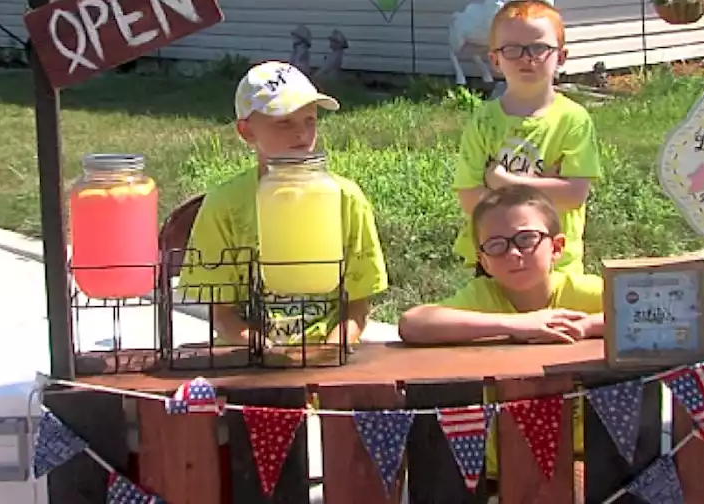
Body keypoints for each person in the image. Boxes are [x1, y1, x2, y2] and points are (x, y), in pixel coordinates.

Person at [398, 184, 603, 488]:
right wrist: (517, 325)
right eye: (497, 245)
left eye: (527, 238)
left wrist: (587, 327)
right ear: (484, 261)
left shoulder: (583, 291)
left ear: (557, 247)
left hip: (588, 460)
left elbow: (661, 314)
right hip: (495, 468)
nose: (513, 253)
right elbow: (413, 323)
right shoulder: (482, 295)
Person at [177, 61, 388, 347]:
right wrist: (260, 349)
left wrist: (331, 349)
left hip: (328, 354)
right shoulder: (224, 205)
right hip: (246, 358)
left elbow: (358, 305)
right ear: (247, 132)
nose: (301, 134)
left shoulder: (346, 199)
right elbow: (221, 313)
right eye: (284, 122)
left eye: (310, 120)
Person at [452, 0, 603, 277]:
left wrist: (506, 183)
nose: (526, 58)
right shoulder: (483, 121)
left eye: (539, 48)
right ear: (495, 60)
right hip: (493, 256)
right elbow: (469, 196)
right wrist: (545, 187)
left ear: (561, 56)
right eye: (512, 49)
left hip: (555, 260)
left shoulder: (573, 120)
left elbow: (574, 194)